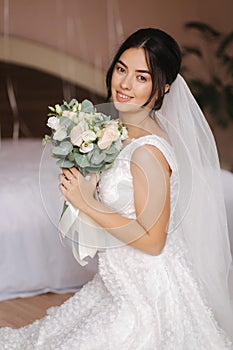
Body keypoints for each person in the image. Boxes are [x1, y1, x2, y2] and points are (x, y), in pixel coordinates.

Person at [0, 28, 233, 349]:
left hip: (146, 294)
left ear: (163, 87)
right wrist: (91, 182)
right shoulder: (122, 131)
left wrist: (87, 202)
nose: (124, 83)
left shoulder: (148, 151)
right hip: (119, 282)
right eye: (122, 69)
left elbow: (153, 242)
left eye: (142, 77)